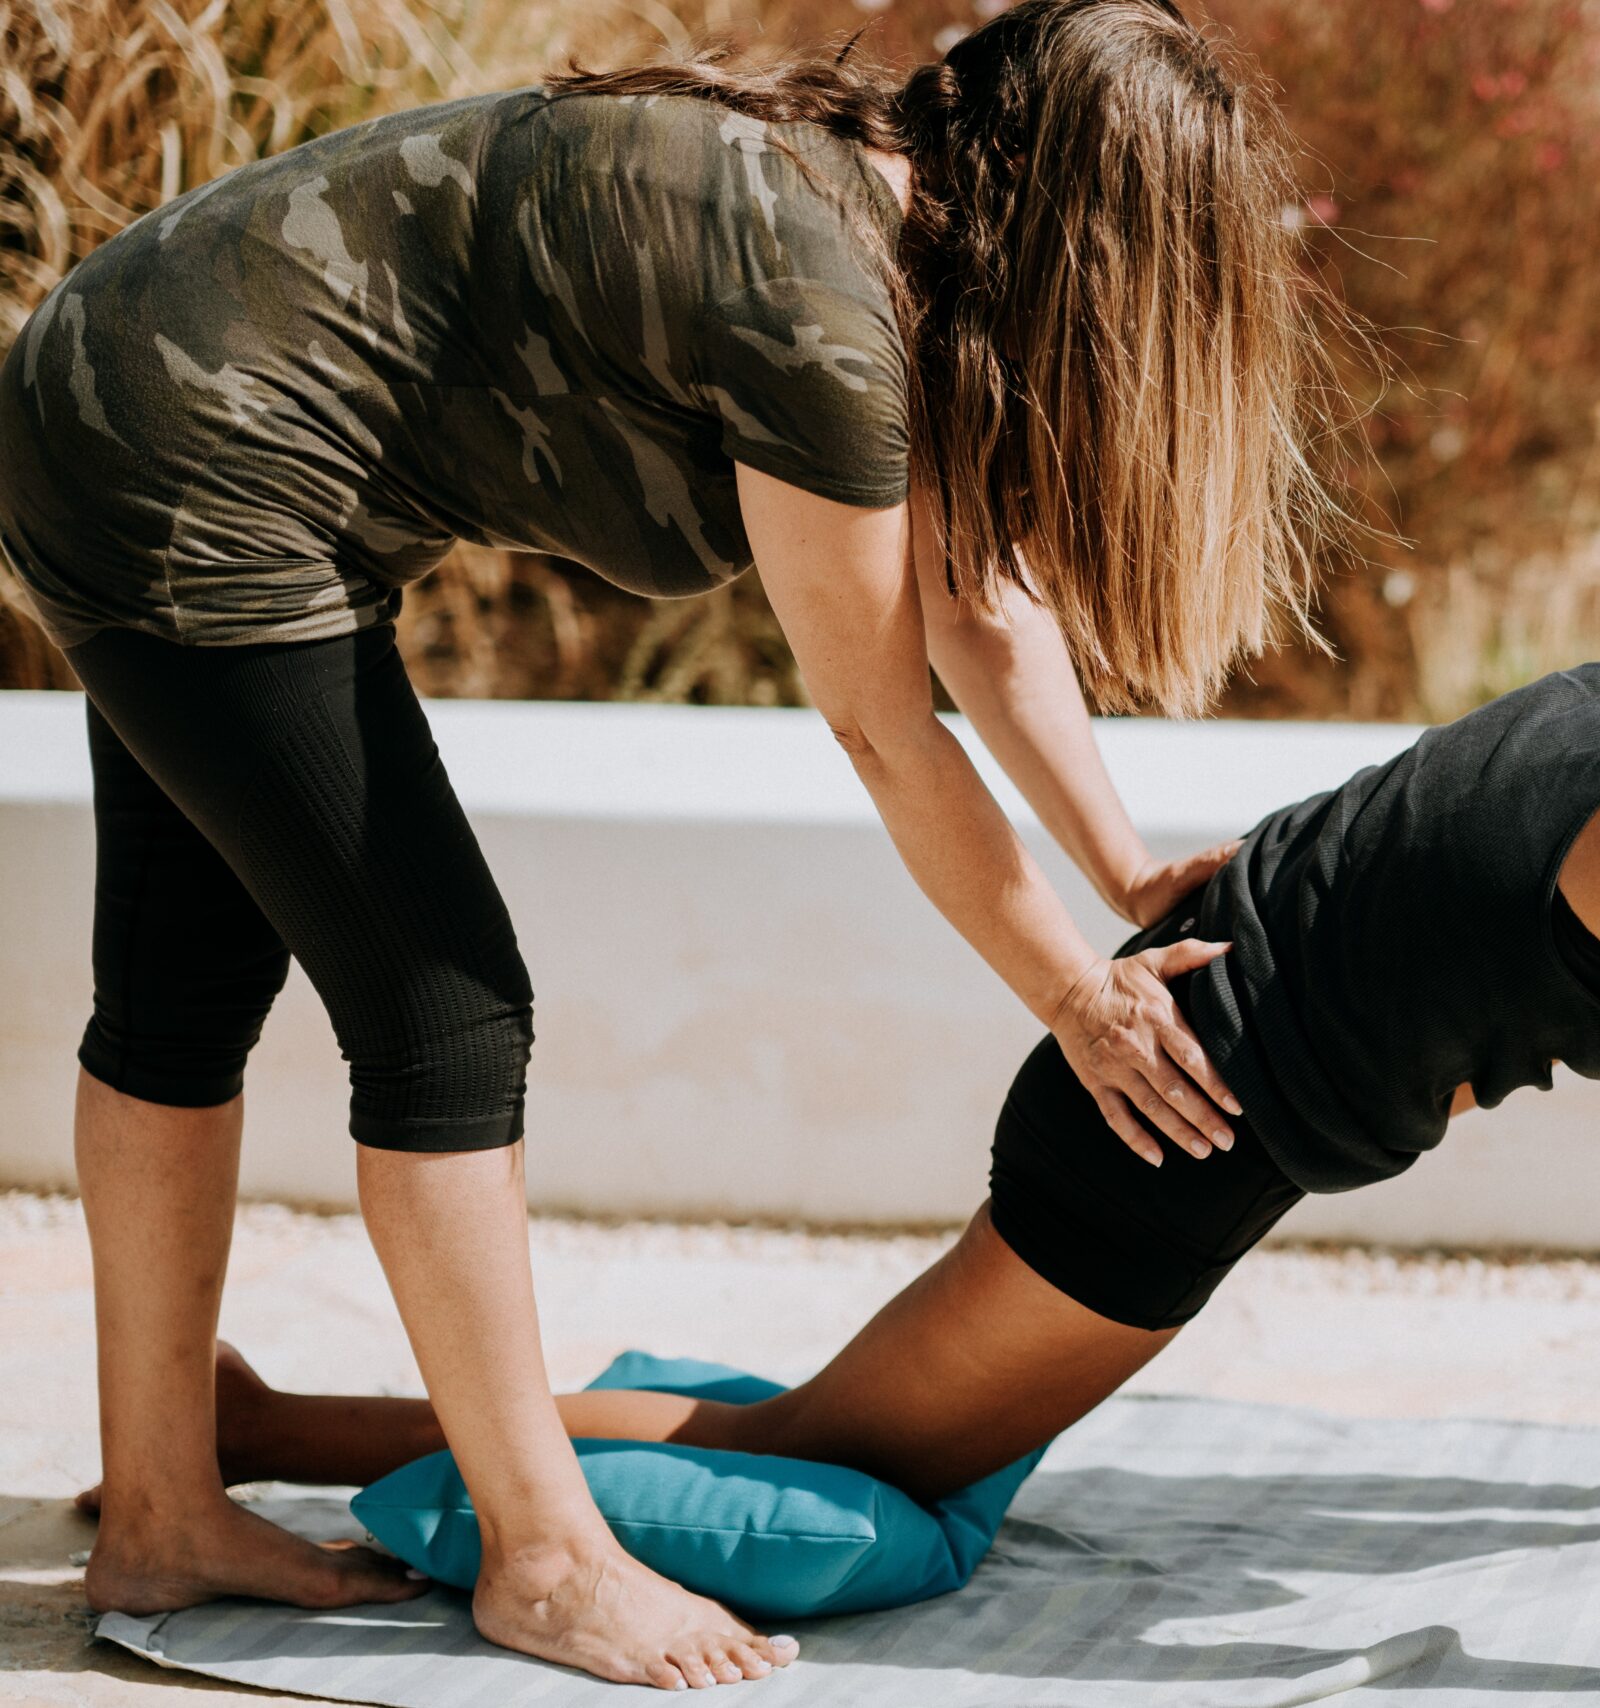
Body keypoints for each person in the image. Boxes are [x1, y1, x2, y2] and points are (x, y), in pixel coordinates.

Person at [180, 424, 1600, 1706]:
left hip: (1206, 1055)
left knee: (850, 1424)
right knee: (848, 1456)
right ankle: (290, 1427)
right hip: (1174, 1107)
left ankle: (289, 1409)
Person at [0, 0, 1342, 1687]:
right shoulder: (824, 305)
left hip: (126, 389)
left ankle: (163, 1508)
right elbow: (878, 724)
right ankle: (547, 1558)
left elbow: (979, 610)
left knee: (182, 993)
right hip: (191, 445)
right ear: (1089, 227)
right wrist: (1079, 996)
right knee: (446, 1010)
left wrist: (1128, 875)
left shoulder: (885, 228)